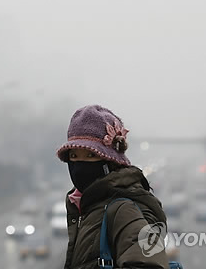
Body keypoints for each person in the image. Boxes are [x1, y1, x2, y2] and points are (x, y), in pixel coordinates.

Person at [56, 105, 169, 269]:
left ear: (110, 161)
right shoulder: (89, 206)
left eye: (91, 155)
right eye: (74, 156)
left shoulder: (122, 209)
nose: (80, 166)